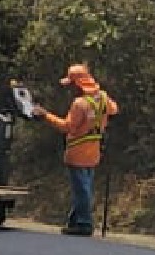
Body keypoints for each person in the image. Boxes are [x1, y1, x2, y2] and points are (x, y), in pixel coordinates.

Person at [33, 63, 119, 236]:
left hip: (77, 153)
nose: (69, 89)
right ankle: (74, 220)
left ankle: (84, 223)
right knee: (84, 188)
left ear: (77, 84)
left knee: (82, 190)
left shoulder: (79, 104)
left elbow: (67, 127)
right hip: (93, 153)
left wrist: (45, 115)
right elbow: (114, 110)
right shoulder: (102, 97)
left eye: (71, 85)